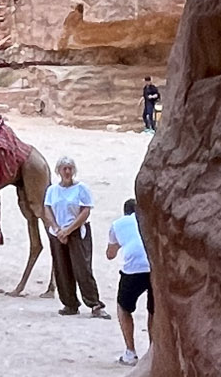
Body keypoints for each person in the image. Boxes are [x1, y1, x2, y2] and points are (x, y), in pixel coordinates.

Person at [43, 156, 106, 317]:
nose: (67, 171)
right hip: (58, 233)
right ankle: (69, 303)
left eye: (70, 168)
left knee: (82, 268)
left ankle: (94, 304)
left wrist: (69, 230)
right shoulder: (52, 191)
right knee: (62, 268)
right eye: (64, 168)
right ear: (59, 171)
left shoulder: (81, 188)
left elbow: (85, 211)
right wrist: (57, 229)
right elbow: (48, 209)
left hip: (77, 232)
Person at [106, 197, 153, 364]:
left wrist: (120, 243)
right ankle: (153, 351)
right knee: (153, 310)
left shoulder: (119, 224)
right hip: (154, 266)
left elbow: (110, 254)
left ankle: (130, 352)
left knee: (123, 307)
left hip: (133, 269)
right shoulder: (149, 220)